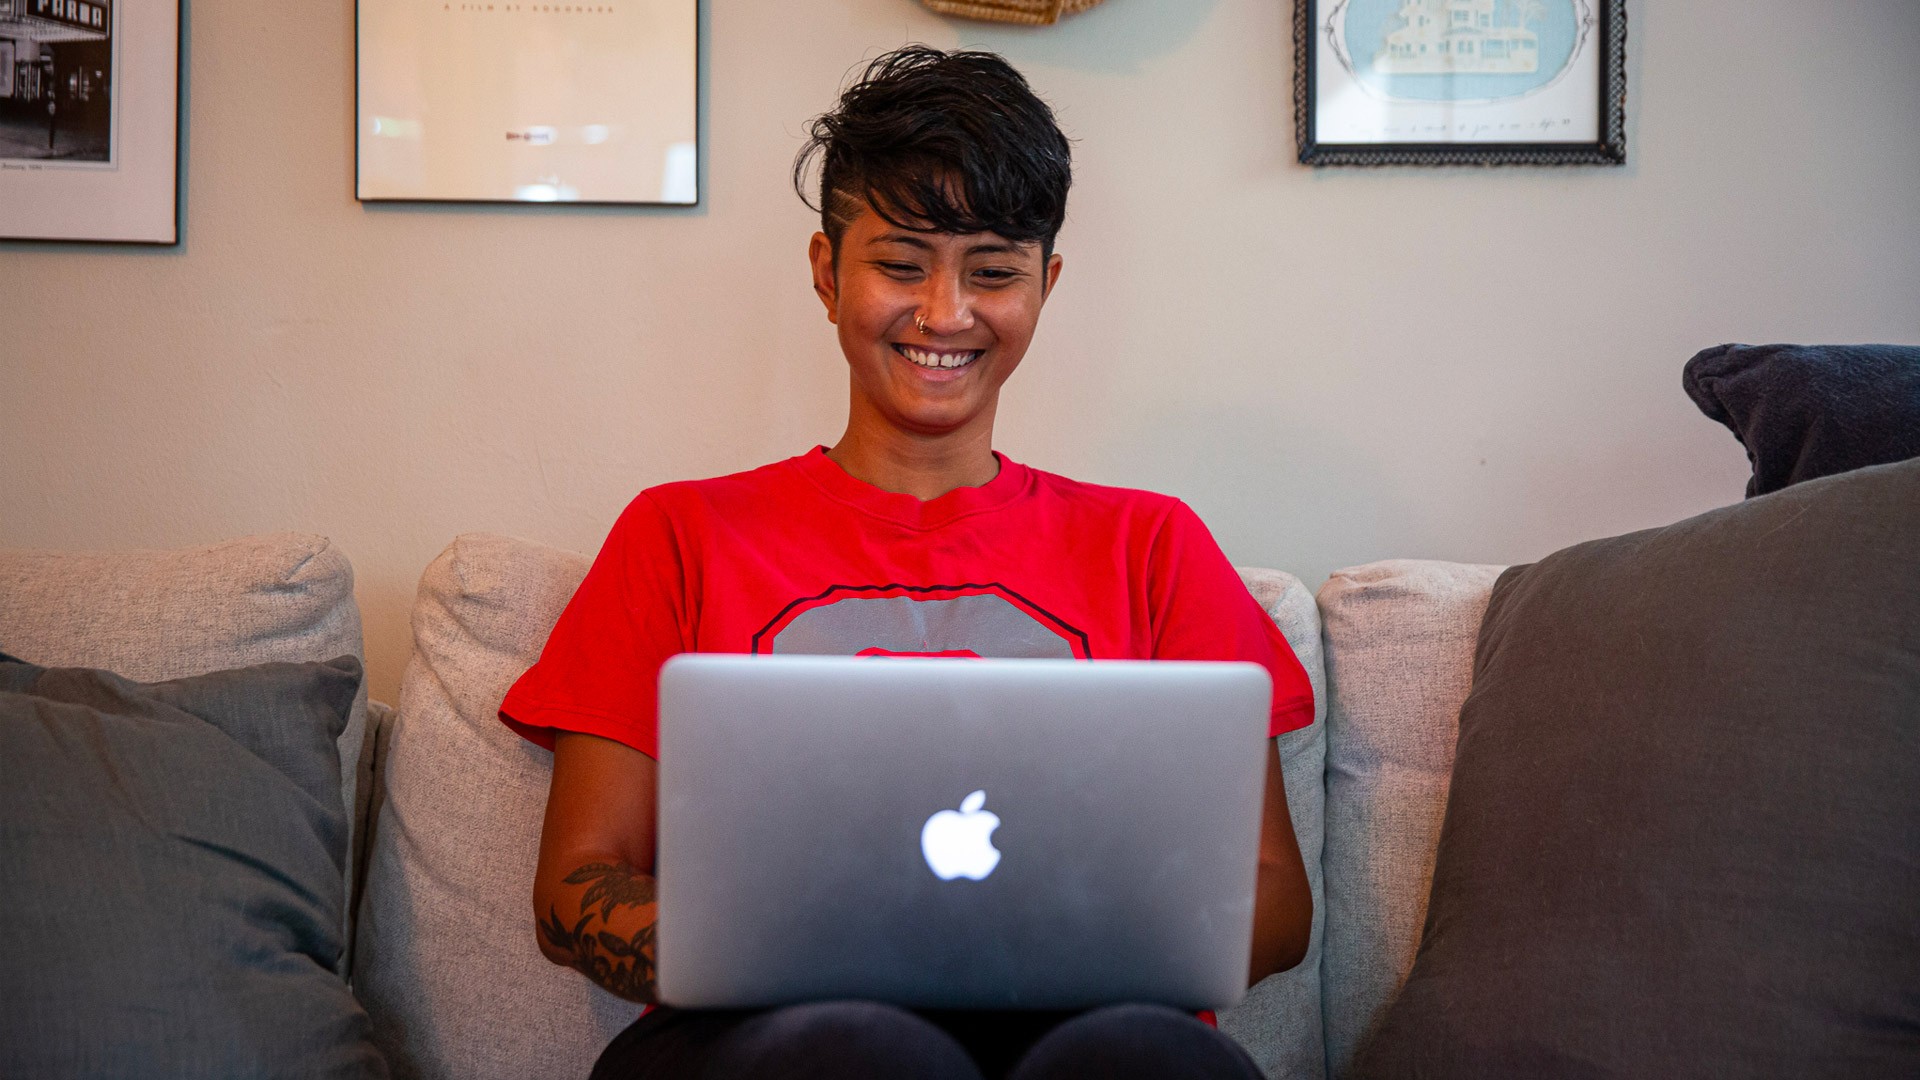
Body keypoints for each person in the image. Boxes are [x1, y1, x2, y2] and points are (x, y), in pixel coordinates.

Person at [499, 45, 1315, 1080]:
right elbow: (575, 888)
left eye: (994, 271)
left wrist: (1048, 949)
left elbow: (1277, 900)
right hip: (759, 1035)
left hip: (1084, 1024)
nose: (944, 312)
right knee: (865, 1051)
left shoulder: (1152, 548)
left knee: (1150, 1063)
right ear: (824, 270)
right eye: (899, 263)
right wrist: (806, 949)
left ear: (1046, 286)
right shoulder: (679, 535)